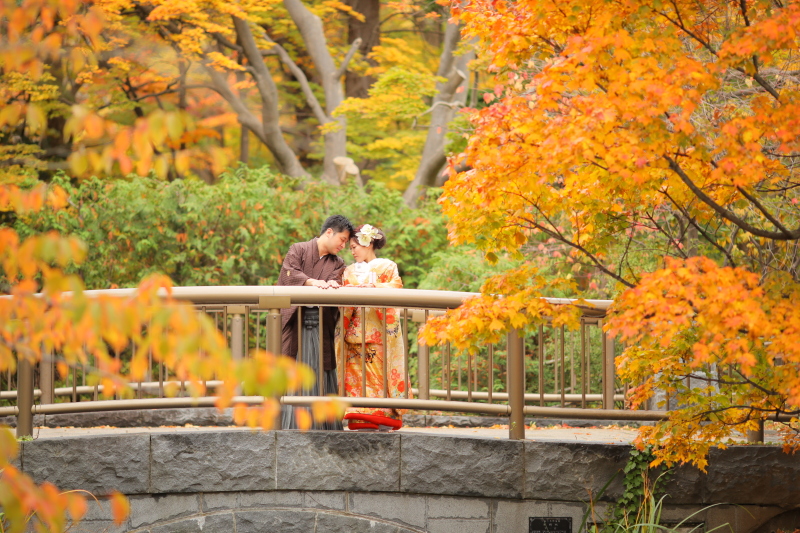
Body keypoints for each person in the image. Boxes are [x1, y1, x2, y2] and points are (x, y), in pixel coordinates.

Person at [277, 214, 354, 430]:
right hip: (295, 324)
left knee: (322, 369)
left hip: (321, 324)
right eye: (342, 239)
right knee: (293, 367)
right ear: (329, 232)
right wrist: (313, 283)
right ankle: (291, 424)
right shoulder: (298, 249)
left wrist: (328, 285)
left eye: (346, 242)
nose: (343, 245)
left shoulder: (338, 263)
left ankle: (323, 424)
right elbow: (289, 273)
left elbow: (336, 283)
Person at [335, 224, 411, 431]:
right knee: (355, 380)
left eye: (354, 246)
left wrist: (373, 287)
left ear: (367, 243)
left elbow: (396, 287)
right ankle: (359, 419)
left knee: (379, 377)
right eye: (350, 248)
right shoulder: (348, 270)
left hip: (378, 333)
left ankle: (383, 417)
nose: (352, 251)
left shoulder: (387, 266)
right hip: (353, 334)